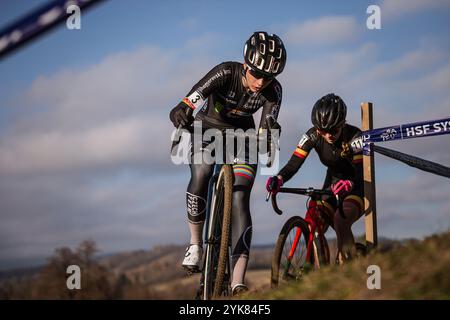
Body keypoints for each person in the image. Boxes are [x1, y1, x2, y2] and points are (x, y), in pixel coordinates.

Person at [169, 31, 287, 295]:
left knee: (240, 197)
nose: (261, 82)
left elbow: (267, 126)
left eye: (268, 77)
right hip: (207, 126)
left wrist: (267, 137)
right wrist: (182, 110)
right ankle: (195, 244)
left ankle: (237, 281)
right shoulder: (225, 73)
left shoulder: (274, 91)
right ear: (245, 65)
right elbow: (191, 99)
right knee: (201, 174)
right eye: (256, 74)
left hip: (243, 136)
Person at [266, 93, 364, 263]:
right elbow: (294, 163)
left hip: (356, 185)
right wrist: (279, 178)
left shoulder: (355, 136)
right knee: (313, 222)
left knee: (341, 221)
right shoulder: (312, 135)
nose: (328, 135)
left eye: (333, 130)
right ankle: (323, 271)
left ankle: (347, 266)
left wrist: (350, 183)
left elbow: (360, 170)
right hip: (332, 183)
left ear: (342, 123)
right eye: (322, 131)